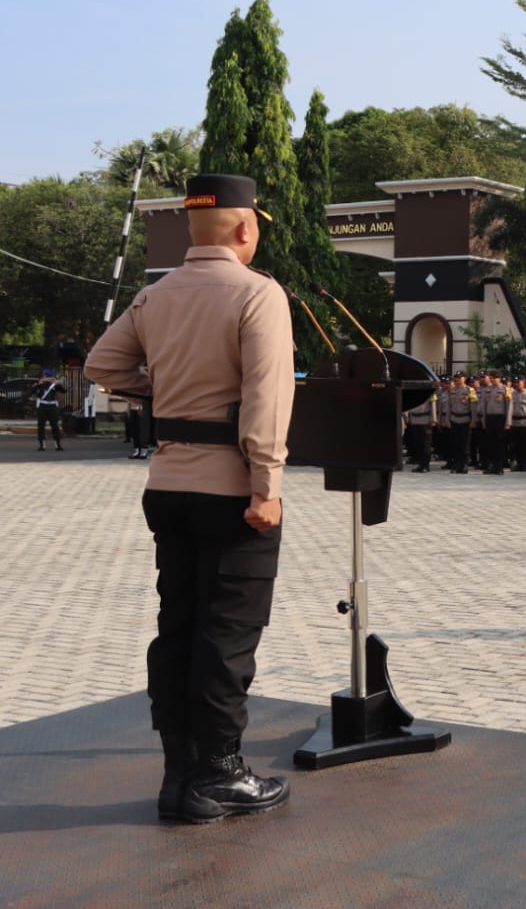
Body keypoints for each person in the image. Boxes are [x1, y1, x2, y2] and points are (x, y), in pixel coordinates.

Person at [84, 173, 292, 825]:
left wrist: (168, 392)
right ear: (244, 228)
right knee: (227, 635)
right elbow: (265, 399)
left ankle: (179, 777)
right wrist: (267, 486)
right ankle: (221, 775)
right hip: (230, 487)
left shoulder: (155, 295)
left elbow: (103, 366)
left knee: (176, 629)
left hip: (167, 485)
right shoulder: (258, 294)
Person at [30, 368, 64, 451]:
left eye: (47, 375)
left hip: (52, 406)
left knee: (55, 426)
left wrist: (58, 384)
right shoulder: (40, 384)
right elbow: (31, 392)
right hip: (42, 406)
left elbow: (63, 391)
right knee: (41, 426)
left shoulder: (54, 384)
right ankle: (42, 445)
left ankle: (57, 444)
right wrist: (38, 384)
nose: (45, 377)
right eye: (45, 375)